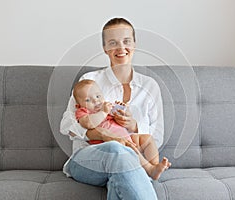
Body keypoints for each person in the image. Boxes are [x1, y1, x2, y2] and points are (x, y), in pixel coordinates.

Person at [60, 17, 165, 200]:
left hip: (130, 163)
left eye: (126, 41)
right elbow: (66, 125)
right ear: (105, 48)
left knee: (122, 174)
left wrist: (134, 126)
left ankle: (137, 172)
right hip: (86, 161)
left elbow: (158, 136)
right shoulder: (90, 81)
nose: (121, 48)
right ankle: (141, 172)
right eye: (113, 43)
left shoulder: (150, 86)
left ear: (134, 44)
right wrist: (101, 135)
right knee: (117, 150)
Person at [73, 79, 171, 180]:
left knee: (148, 139)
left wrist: (122, 112)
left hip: (127, 137)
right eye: (88, 100)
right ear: (78, 105)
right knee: (130, 149)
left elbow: (121, 120)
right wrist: (103, 113)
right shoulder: (84, 112)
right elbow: (88, 124)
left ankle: (154, 166)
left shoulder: (106, 106)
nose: (95, 101)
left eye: (98, 96)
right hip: (111, 144)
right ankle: (150, 169)